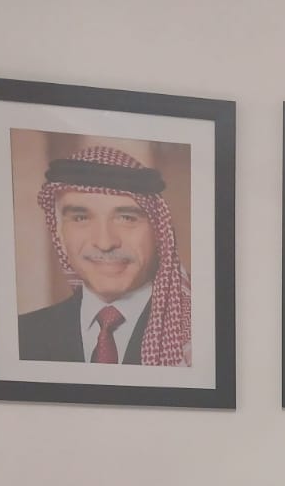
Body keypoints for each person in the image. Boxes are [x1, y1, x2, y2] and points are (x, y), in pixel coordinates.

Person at [18, 145, 191, 366]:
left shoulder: (198, 334)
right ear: (59, 233)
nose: (105, 243)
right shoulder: (22, 336)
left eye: (127, 218)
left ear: (158, 231)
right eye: (81, 218)